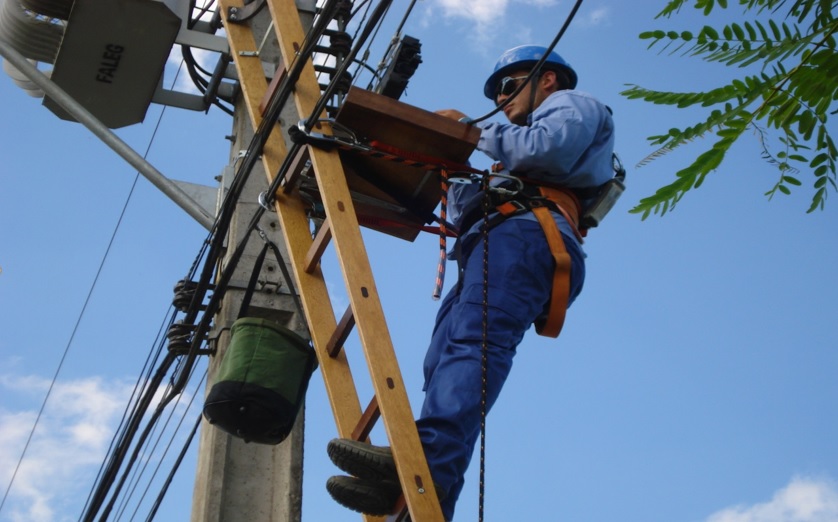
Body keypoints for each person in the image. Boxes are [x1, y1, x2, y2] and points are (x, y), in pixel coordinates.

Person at [325, 44, 617, 520]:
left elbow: (548, 149)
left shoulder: (572, 105)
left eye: (507, 86)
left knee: (473, 345)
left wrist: (470, 128)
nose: (501, 99)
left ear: (547, 79)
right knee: (441, 360)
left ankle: (425, 464)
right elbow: (463, 205)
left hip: (526, 234)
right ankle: (420, 495)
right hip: (493, 241)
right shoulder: (510, 157)